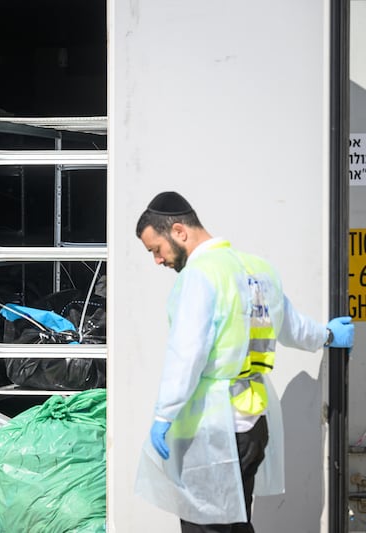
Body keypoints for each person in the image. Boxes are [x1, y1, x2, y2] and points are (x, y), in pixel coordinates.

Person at [132, 191, 355, 533]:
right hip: (252, 426)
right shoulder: (259, 271)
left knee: (207, 527)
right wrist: (326, 335)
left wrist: (164, 415)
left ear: (178, 231)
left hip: (210, 429)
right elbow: (293, 327)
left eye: (156, 250)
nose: (158, 261)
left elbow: (186, 354)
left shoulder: (200, 275)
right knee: (235, 523)